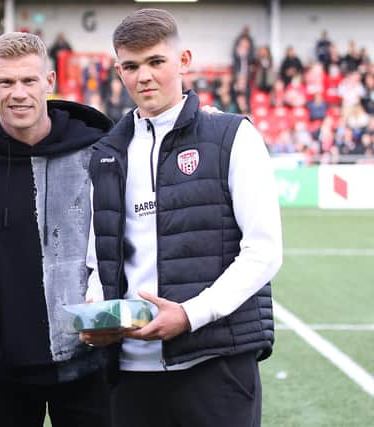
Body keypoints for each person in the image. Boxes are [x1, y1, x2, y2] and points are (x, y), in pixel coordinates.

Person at [82, 9, 282, 427]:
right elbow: (99, 258)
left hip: (215, 363)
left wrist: (191, 315)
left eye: (156, 62)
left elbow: (264, 251)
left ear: (184, 60)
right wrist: (97, 312)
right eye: (132, 66)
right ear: (119, 71)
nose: (144, 77)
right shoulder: (107, 152)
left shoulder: (232, 136)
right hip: (130, 372)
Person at [0, 31, 113, 427]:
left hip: (89, 360)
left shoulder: (99, 150)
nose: (18, 92)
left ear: (49, 82)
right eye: (6, 82)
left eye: (29, 80)